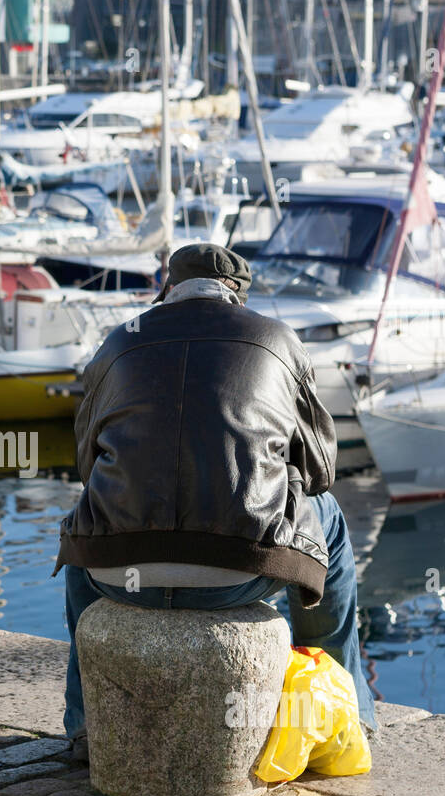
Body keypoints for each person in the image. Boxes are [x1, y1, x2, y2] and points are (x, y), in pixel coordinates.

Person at [55, 243, 376, 753]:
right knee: (329, 515)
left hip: (118, 576)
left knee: (85, 523)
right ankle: (340, 709)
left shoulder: (119, 343)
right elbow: (320, 470)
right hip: (238, 575)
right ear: (239, 298)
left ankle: (85, 727)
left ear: (168, 288)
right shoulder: (276, 340)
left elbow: (85, 463)